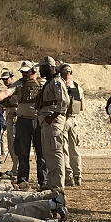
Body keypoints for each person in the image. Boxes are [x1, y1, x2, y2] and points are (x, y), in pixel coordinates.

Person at [0, 61, 45, 187]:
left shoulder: (43, 83)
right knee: (22, 152)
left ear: (33, 70)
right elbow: (6, 92)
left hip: (38, 121)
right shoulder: (19, 84)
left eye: (26, 71)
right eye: (22, 71)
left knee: (41, 152)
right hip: (22, 120)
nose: (24, 74)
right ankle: (22, 180)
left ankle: (43, 180)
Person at [36, 56, 70, 192]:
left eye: (42, 68)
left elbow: (64, 101)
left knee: (55, 153)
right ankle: (51, 183)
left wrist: (53, 116)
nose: (40, 70)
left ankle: (57, 187)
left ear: (49, 68)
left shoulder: (56, 82)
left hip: (53, 122)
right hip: (47, 122)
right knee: (48, 153)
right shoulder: (50, 82)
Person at [60, 63, 84, 186]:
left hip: (63, 120)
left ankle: (68, 177)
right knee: (74, 149)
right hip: (74, 120)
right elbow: (81, 107)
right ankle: (78, 176)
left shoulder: (60, 86)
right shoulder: (78, 87)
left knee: (64, 150)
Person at [0, 69, 19, 177]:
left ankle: (17, 168)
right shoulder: (8, 90)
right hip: (9, 114)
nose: (5, 81)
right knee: (10, 143)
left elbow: (21, 103)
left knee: (15, 142)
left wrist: (16, 113)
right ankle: (15, 167)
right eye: (3, 80)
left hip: (15, 115)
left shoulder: (16, 89)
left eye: (7, 79)